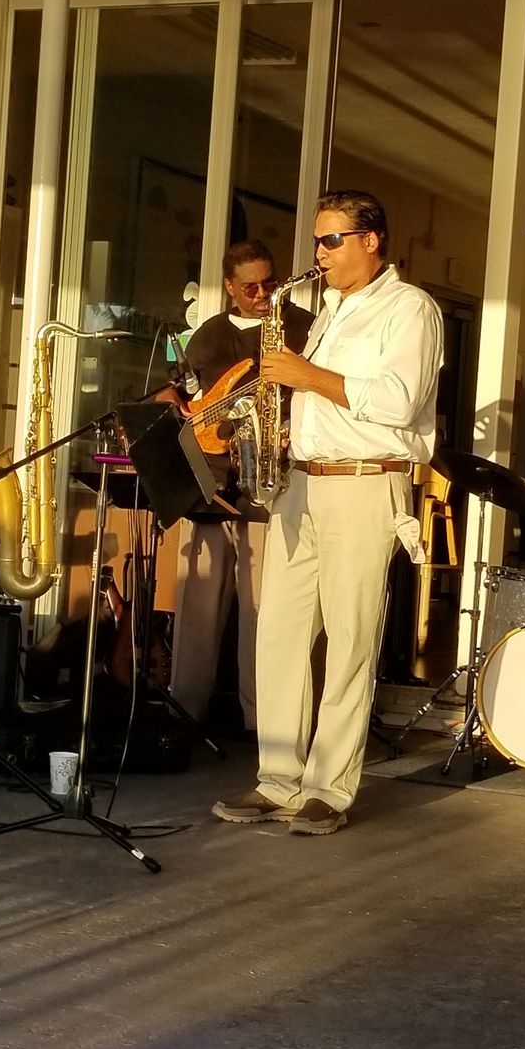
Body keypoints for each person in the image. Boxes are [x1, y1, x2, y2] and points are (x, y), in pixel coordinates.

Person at [212, 190, 444, 832]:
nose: (319, 253)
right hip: (301, 486)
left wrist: (303, 375)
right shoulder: (330, 310)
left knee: (348, 642)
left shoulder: (410, 309)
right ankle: (278, 780)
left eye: (332, 240)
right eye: (317, 240)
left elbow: (397, 402)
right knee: (281, 638)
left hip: (366, 485)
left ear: (371, 240)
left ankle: (329, 790)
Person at [170, 239, 314, 739]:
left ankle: (263, 725)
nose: (261, 293)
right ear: (229, 287)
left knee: (263, 612)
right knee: (196, 608)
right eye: (249, 286)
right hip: (210, 487)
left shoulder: (300, 327)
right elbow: (180, 392)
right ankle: (184, 715)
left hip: (270, 488)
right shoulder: (208, 335)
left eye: (269, 283)